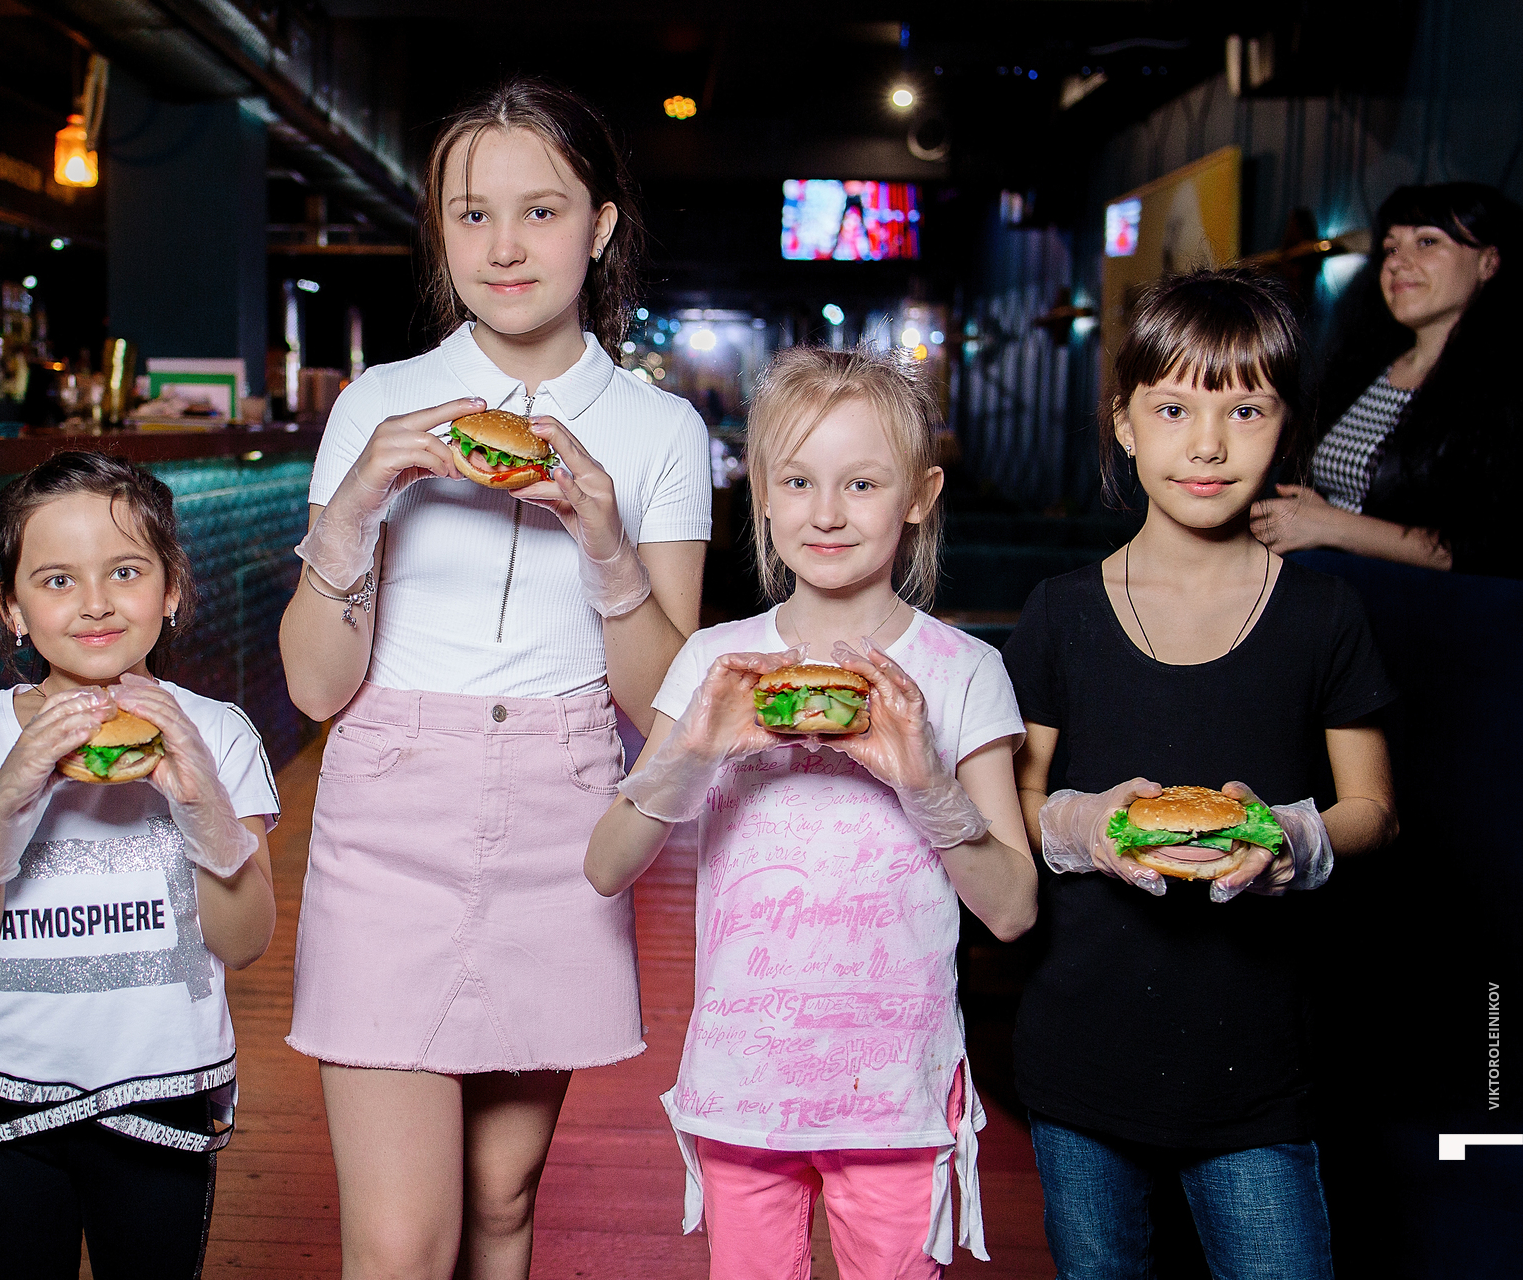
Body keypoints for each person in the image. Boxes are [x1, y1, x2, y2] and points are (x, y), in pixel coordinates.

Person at [277, 78, 711, 1280]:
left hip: (563, 811)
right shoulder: (379, 403)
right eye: (472, 214)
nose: (504, 247)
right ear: (441, 230)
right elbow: (313, 686)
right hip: (390, 809)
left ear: (600, 226)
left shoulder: (659, 431)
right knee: (402, 1240)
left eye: (541, 210)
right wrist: (356, 505)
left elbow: (663, 707)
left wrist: (608, 544)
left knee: (504, 1197)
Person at [585, 345, 1036, 1280]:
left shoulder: (965, 672)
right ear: (761, 493)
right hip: (743, 1085)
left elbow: (1013, 909)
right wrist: (696, 750)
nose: (826, 513)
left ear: (919, 496)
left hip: (897, 1093)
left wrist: (926, 783)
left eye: (862, 483)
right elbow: (606, 865)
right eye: (797, 481)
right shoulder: (714, 663)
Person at [1004, 270, 1399, 1279]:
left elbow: (1375, 809)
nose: (1209, 444)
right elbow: (1016, 803)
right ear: (1125, 424)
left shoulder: (1325, 614)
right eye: (1174, 408)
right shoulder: (1060, 610)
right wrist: (1082, 826)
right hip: (1083, 1044)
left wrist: (1293, 836)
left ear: (1287, 426)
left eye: (1246, 409)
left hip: (1258, 1060)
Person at [0, 452, 279, 1279]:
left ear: (171, 588)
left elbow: (246, 938)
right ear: (11, 608)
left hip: (162, 1089)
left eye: (125, 571)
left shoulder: (219, 733)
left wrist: (202, 799)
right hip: (0, 1094)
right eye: (56, 580)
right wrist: (9, 791)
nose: (96, 603)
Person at [1253, 183, 1522, 577]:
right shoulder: (1361, 369)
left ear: (1488, 262)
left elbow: (1491, 547)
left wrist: (1332, 526)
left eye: (1427, 242)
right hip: (1330, 587)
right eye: (1391, 249)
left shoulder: (1505, 388)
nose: (1397, 263)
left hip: (1422, 605)